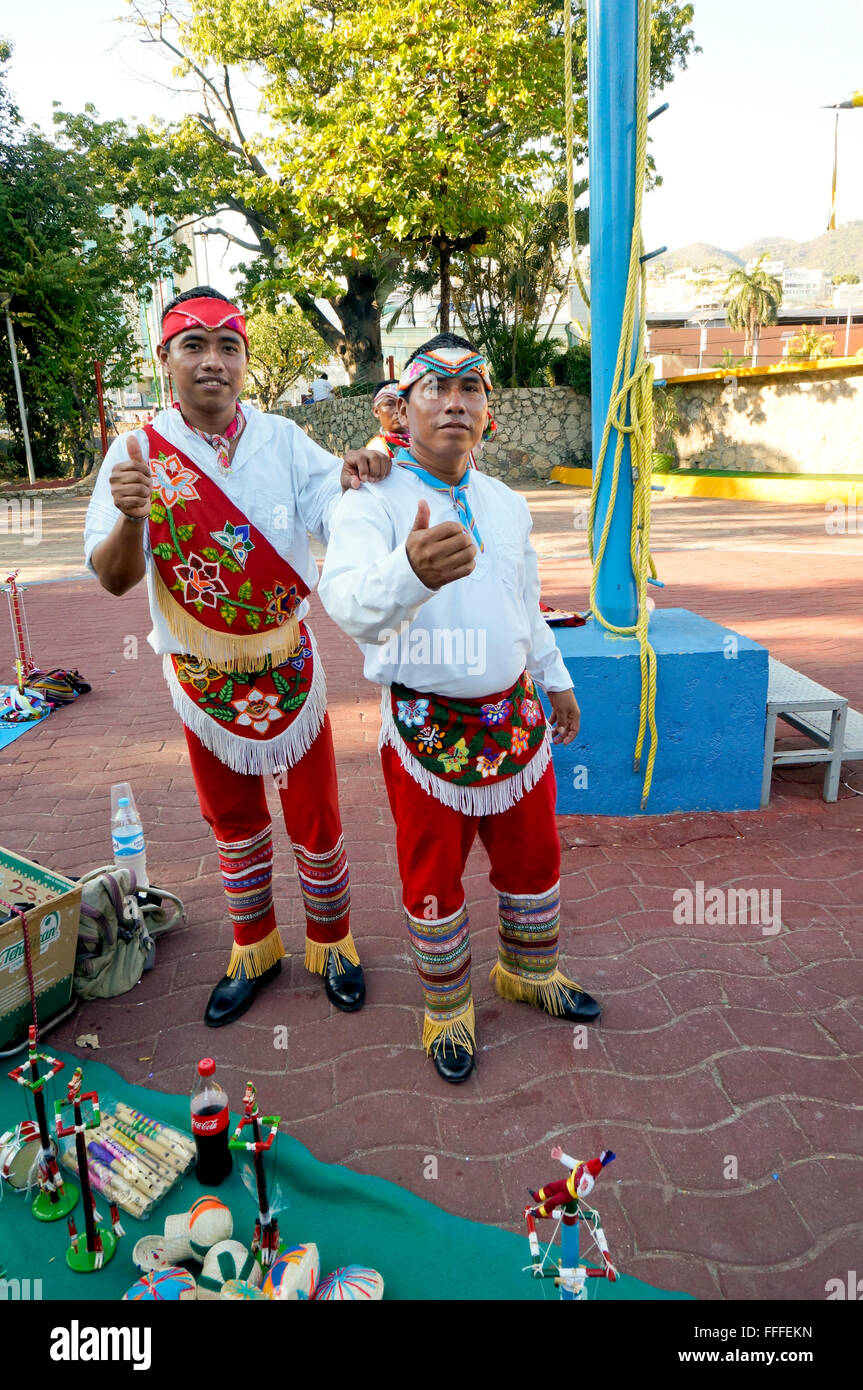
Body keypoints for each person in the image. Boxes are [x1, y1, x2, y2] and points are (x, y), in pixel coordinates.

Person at [84, 286, 390, 1027]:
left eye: (228, 345)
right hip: (201, 675)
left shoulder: (284, 438)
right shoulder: (134, 453)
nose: (212, 360)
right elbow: (116, 576)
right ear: (165, 359)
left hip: (288, 660)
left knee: (316, 814)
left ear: (246, 359)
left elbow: (334, 506)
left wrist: (365, 469)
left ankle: (331, 942)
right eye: (194, 344)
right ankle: (253, 945)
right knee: (232, 818)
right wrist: (132, 518)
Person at [319, 332, 601, 1084]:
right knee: (433, 873)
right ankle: (446, 1010)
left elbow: (524, 603)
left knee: (533, 857)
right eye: (434, 388)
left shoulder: (506, 505)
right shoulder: (369, 500)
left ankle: (529, 972)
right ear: (399, 408)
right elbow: (345, 604)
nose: (454, 401)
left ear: (487, 410)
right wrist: (407, 571)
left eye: (470, 387)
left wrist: (556, 677)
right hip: (425, 727)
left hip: (513, 717)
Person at [366, 380, 407, 457]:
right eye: (390, 404)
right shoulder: (376, 450)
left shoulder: (423, 441)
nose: (399, 410)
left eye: (403, 403)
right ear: (376, 411)